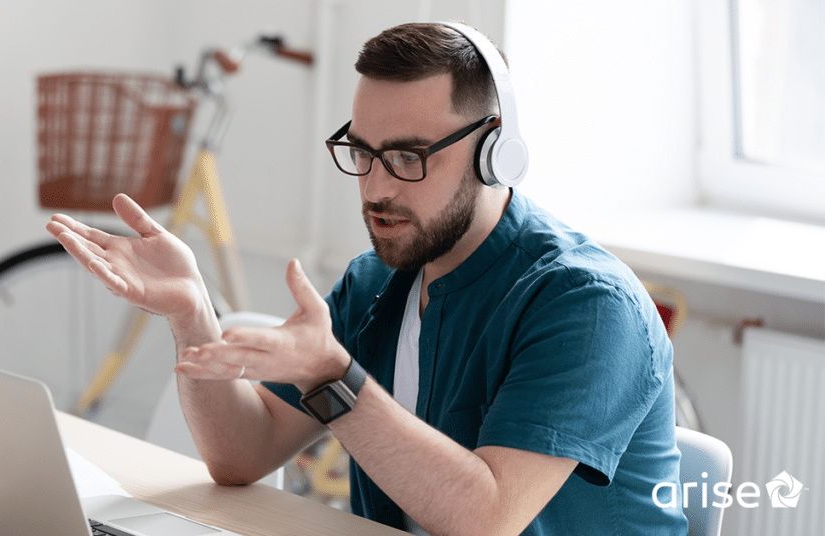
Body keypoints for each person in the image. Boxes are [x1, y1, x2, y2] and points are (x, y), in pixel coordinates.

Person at [47, 22, 688, 536]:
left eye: (408, 156)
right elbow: (243, 454)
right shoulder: (381, 277)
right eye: (362, 152)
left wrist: (333, 376)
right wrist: (190, 316)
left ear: (496, 151)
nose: (375, 187)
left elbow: (486, 518)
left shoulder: (585, 305)